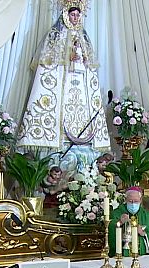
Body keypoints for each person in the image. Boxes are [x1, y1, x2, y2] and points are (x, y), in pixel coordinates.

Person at [17, 1, 110, 176]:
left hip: (80, 87)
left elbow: (90, 64)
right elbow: (50, 62)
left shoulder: (84, 36)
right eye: (72, 15)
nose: (75, 18)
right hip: (63, 84)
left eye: (77, 15)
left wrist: (82, 58)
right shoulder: (56, 35)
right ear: (66, 15)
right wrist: (68, 56)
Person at [108, 186, 149, 256]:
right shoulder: (117, 213)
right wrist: (120, 222)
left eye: (136, 201)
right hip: (121, 257)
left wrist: (144, 233)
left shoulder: (146, 215)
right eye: (130, 201)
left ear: (140, 200)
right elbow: (109, 229)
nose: (133, 204)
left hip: (142, 255)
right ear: (125, 199)